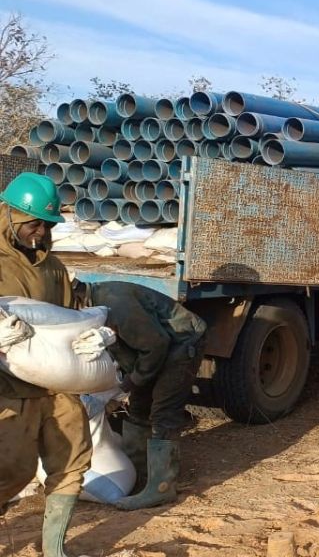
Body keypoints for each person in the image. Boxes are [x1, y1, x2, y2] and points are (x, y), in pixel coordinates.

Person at [0, 172, 92, 557]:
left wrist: (92, 336)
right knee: (11, 470)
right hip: (10, 389)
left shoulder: (54, 268)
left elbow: (70, 314)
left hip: (57, 385)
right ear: (10, 216)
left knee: (73, 459)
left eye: (47, 225)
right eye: (34, 223)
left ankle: (55, 551)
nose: (40, 232)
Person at [72, 280, 207, 510]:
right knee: (138, 406)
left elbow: (156, 345)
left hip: (182, 342)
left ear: (75, 295)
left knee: (164, 411)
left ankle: (161, 488)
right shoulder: (96, 308)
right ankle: (139, 472)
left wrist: (132, 380)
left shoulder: (115, 304)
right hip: (157, 347)